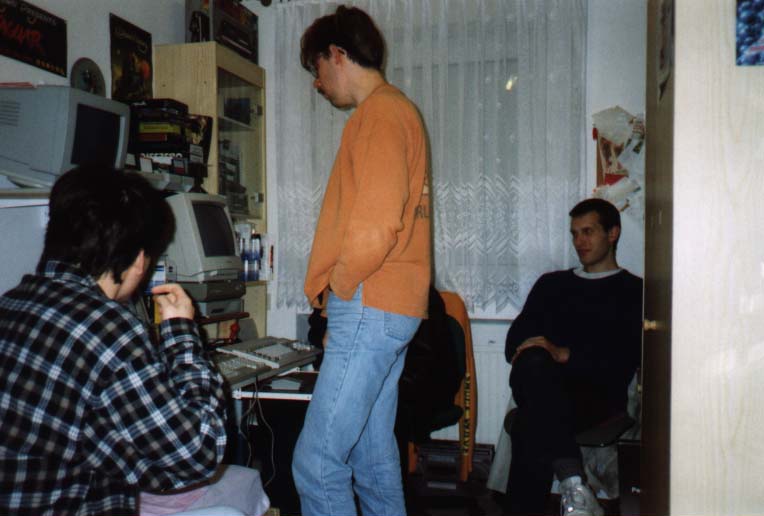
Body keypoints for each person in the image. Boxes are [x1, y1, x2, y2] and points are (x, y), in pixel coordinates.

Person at [0, 166, 267, 516]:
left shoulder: (12, 302)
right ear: (140, 260)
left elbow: (110, 448)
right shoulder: (109, 330)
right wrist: (181, 334)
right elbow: (198, 455)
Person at [292, 5, 431, 516]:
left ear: (338, 54)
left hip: (370, 303)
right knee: (371, 459)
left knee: (316, 464)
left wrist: (338, 292)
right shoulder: (396, 111)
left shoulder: (380, 114)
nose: (317, 83)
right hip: (389, 307)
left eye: (316, 68)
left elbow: (376, 227)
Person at [503, 198, 643, 516]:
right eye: (574, 233)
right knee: (534, 362)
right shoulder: (552, 285)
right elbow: (514, 345)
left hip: (597, 396)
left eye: (588, 232)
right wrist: (544, 354)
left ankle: (568, 485)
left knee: (529, 423)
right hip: (540, 383)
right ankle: (575, 485)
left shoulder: (634, 291)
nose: (579, 241)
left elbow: (625, 358)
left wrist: (564, 353)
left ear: (613, 233)